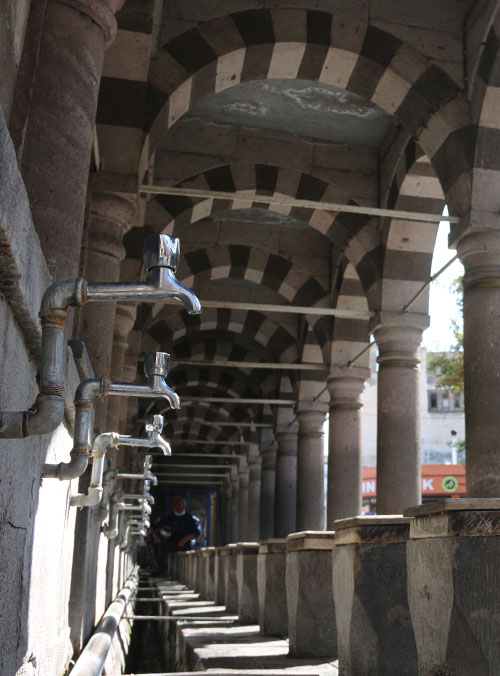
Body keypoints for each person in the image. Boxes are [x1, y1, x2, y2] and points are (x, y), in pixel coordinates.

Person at [156, 495, 201, 576]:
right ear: (174, 506)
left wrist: (185, 539)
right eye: (177, 505)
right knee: (162, 547)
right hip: (173, 543)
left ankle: (186, 574)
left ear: (185, 506)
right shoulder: (171, 517)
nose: (179, 507)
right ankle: (163, 571)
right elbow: (160, 525)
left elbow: (197, 532)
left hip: (186, 544)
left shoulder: (190, 518)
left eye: (181, 505)